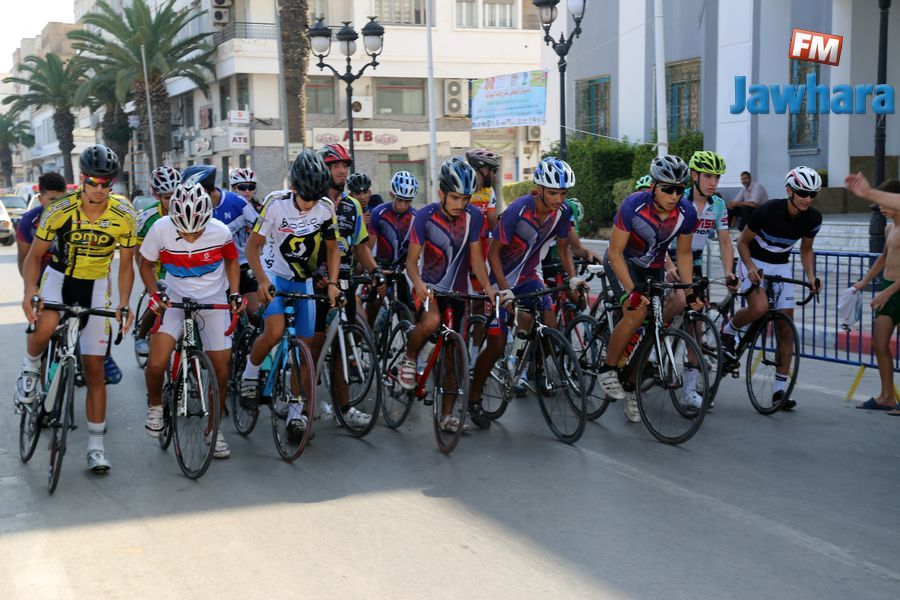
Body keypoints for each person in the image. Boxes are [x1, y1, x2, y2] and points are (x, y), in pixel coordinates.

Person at [16, 144, 137, 472]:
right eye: (93, 181)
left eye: (106, 183)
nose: (99, 189)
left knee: (95, 369)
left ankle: (96, 447)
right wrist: (30, 290)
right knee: (44, 326)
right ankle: (30, 368)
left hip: (96, 285)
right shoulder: (60, 209)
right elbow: (34, 255)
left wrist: (124, 303)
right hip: (59, 277)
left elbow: (126, 266)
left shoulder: (124, 215)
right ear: (82, 178)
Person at [467, 157, 587, 428]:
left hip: (530, 275)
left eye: (563, 193)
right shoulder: (519, 210)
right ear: (539, 189)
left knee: (551, 325)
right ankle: (474, 397)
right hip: (500, 278)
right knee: (496, 345)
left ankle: (530, 364)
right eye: (553, 193)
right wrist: (504, 290)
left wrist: (572, 278)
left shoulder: (562, 212)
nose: (559, 199)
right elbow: (493, 254)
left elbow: (565, 249)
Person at [240, 150, 342, 440]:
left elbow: (333, 249)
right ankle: (250, 375)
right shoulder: (275, 203)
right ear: (294, 187)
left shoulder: (325, 207)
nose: (310, 204)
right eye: (305, 197)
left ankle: (296, 412)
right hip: (274, 275)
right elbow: (252, 248)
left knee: (305, 347)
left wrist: (333, 283)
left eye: (315, 198)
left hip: (303, 280)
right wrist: (261, 280)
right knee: (274, 331)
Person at [139, 182, 244, 457]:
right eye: (184, 231)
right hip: (175, 298)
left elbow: (232, 261)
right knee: (156, 364)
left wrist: (234, 293)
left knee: (221, 373)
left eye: (197, 231)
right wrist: (153, 293)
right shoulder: (160, 228)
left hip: (213, 300)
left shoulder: (220, 231)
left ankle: (213, 430)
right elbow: (145, 264)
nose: (190, 236)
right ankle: (155, 407)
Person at [397, 157, 498, 433]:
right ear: (441, 192)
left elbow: (476, 260)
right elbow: (411, 262)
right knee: (431, 322)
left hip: (459, 292)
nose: (460, 204)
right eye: (454, 197)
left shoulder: (473, 217)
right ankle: (409, 356)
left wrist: (489, 289)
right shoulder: (425, 217)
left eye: (465, 198)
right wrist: (418, 284)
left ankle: (447, 415)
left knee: (455, 355)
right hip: (429, 287)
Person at [597, 155, 699, 422]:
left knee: (654, 329)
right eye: (668, 189)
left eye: (679, 190)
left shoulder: (687, 212)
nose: (674, 195)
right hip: (623, 262)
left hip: (653, 267)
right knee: (635, 313)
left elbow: (684, 253)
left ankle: (631, 385)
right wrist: (631, 291)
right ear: (654, 186)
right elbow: (615, 252)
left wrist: (689, 291)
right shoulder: (634, 205)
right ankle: (607, 369)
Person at [721, 166, 823, 411]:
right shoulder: (768, 210)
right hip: (754, 260)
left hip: (781, 265)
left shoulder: (813, 218)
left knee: (785, 328)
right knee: (760, 308)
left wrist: (812, 277)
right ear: (789, 191)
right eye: (802, 193)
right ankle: (728, 331)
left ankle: (779, 391)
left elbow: (806, 250)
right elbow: (742, 242)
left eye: (812, 194)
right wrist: (750, 267)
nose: (807, 199)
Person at [314, 143, 384, 426]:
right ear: (323, 170)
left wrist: (375, 270)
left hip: (345, 284)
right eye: (335, 165)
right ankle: (300, 409)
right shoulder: (313, 203)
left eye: (345, 165)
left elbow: (361, 246)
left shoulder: (352, 206)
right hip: (316, 285)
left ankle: (343, 408)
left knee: (343, 345)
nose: (342, 170)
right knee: (313, 347)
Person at [182, 164, 261, 319]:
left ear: (204, 191)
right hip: (213, 272)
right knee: (218, 317)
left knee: (254, 312)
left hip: (241, 266)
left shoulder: (238, 202)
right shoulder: (194, 209)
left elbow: (261, 231)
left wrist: (258, 255)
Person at [851, 180, 900, 413]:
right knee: (879, 344)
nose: (881, 206)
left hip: (895, 290)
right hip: (888, 289)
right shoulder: (889, 229)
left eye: (885, 201)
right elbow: (883, 257)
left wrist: (887, 292)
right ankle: (886, 396)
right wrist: (865, 281)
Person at [134, 165, 181, 357]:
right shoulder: (147, 217)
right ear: (156, 195)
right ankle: (141, 334)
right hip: (158, 268)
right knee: (159, 303)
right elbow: (139, 255)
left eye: (176, 195)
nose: (173, 201)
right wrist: (150, 283)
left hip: (182, 268)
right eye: (167, 197)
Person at [670, 151, 736, 284]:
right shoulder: (679, 199)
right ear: (695, 175)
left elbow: (725, 241)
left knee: (698, 297)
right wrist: (669, 266)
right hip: (670, 258)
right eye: (708, 176)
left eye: (717, 177)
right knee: (678, 296)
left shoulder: (719, 204)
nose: (713, 183)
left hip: (695, 261)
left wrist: (728, 272)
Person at [366, 170, 418, 326]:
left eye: (408, 201)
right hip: (380, 267)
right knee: (375, 301)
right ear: (391, 195)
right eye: (400, 200)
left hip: (399, 270)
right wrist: (372, 270)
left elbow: (416, 253)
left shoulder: (416, 218)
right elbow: (368, 248)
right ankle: (367, 333)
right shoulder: (379, 213)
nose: (403, 205)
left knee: (410, 314)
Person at [16, 171, 67, 275]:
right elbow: (23, 259)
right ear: (40, 199)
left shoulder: (77, 217)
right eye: (52, 200)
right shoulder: (28, 222)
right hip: (40, 279)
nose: (57, 205)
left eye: (61, 200)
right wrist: (30, 283)